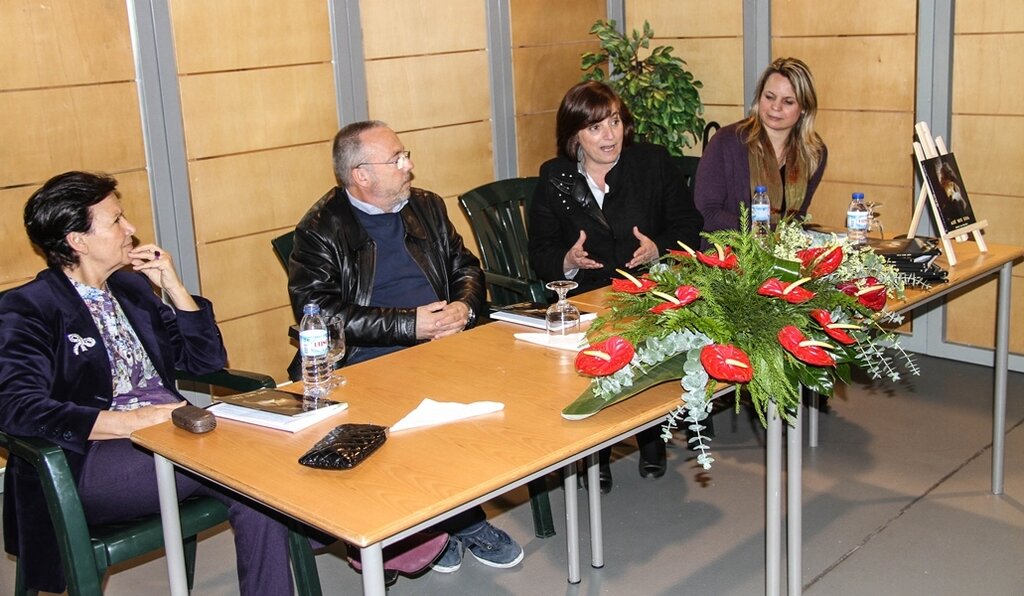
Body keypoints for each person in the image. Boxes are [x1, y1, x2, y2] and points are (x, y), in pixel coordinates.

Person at [0, 172, 297, 595]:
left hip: (172, 435)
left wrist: (173, 287)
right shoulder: (28, 308)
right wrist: (132, 421)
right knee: (250, 463)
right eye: (116, 220)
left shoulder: (131, 287)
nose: (131, 229)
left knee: (259, 483)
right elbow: (17, 408)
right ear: (77, 241)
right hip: (89, 462)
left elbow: (206, 360)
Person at [288, 121, 524, 575]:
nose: (409, 166)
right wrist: (408, 326)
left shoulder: (427, 207)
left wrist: (463, 308)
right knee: (429, 414)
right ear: (362, 175)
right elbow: (320, 312)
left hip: (446, 344)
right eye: (397, 159)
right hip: (366, 359)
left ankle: (439, 524)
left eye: (405, 154)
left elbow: (467, 268)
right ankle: (460, 523)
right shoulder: (320, 229)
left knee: (511, 390)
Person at [527, 81, 705, 492]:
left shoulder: (653, 164)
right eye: (595, 128)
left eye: (615, 121)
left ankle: (650, 439)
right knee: (592, 339)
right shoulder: (556, 178)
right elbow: (539, 251)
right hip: (586, 296)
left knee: (642, 331)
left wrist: (657, 248)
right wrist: (568, 261)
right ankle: (596, 451)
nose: (610, 135)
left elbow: (689, 224)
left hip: (649, 289)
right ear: (574, 136)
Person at [695, 57, 828, 237]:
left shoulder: (814, 153)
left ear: (804, 107)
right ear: (759, 97)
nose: (775, 107)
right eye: (769, 97)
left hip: (782, 254)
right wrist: (763, 233)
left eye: (788, 102)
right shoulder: (726, 141)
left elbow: (798, 218)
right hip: (727, 255)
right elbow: (707, 213)